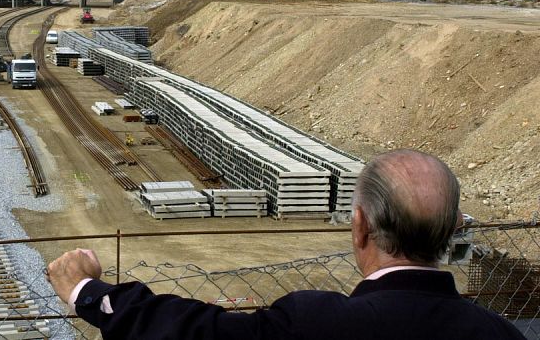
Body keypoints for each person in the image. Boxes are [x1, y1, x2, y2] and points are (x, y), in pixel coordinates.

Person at [47, 149, 525, 340]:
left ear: (358, 227)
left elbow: (194, 334)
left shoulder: (317, 323)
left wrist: (88, 293)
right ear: (451, 231)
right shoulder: (499, 332)